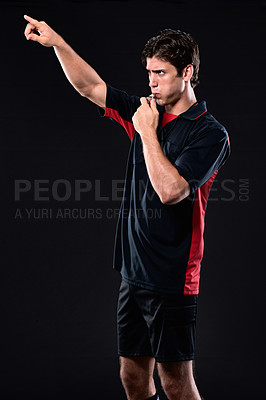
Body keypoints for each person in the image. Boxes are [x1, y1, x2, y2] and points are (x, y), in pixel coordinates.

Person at [24, 15, 231, 400]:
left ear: (187, 72)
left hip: (172, 278)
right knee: (132, 377)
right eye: (148, 72)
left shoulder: (209, 133)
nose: (151, 81)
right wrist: (58, 44)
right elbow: (91, 87)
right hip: (133, 272)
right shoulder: (145, 109)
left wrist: (147, 132)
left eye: (161, 72)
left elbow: (171, 191)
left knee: (175, 383)